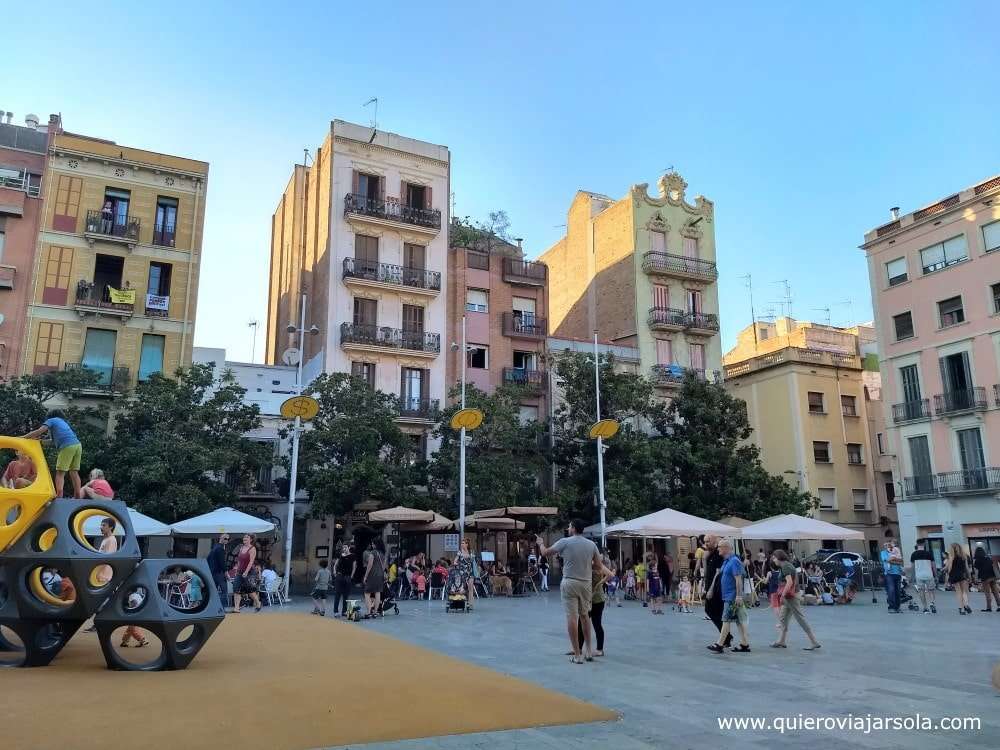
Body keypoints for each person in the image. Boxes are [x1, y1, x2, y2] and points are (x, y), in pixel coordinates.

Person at [536, 519, 603, 664]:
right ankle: (589, 651)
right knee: (585, 616)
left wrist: (540, 543)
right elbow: (598, 566)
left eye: (569, 526)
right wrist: (585, 563)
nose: (568, 528)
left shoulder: (565, 542)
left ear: (573, 528)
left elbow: (545, 553)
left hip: (570, 582)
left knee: (572, 617)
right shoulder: (592, 545)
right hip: (586, 583)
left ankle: (577, 655)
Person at [21, 410, 82, 499]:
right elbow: (52, 442)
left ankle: (59, 495)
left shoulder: (52, 420)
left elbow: (39, 431)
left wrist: (23, 437)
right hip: (77, 445)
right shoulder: (63, 423)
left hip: (67, 446)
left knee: (60, 473)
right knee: (74, 472)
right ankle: (77, 495)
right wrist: (40, 442)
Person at [770, 549, 821, 650]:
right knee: (783, 618)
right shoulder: (786, 565)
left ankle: (814, 642)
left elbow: (789, 582)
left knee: (800, 618)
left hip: (791, 597)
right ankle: (781, 641)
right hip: (790, 596)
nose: (773, 560)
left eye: (774, 558)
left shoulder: (785, 567)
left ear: (779, 557)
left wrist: (782, 595)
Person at [708, 539, 750, 653]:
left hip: (732, 597)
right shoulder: (727, 561)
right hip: (728, 596)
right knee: (739, 621)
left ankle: (719, 644)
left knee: (726, 619)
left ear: (726, 548)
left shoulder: (734, 561)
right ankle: (744, 644)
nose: (718, 549)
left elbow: (738, 579)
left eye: (720, 547)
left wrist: (738, 596)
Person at [83, 517, 118, 633]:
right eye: (101, 525)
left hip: (104, 576)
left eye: (104, 525)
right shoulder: (106, 540)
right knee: (100, 602)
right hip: (101, 575)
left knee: (101, 602)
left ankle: (100, 625)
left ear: (110, 527)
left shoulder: (111, 540)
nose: (101, 527)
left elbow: (107, 558)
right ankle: (98, 624)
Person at [575, 560, 613, 658]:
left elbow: (610, 575)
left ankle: (599, 649)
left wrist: (598, 584)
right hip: (587, 599)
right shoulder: (584, 565)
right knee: (581, 624)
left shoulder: (596, 565)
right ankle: (578, 648)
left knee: (596, 624)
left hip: (597, 600)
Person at [702, 535, 732, 648]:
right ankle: (726, 638)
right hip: (710, 587)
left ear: (714, 541)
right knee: (714, 612)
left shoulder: (718, 555)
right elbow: (706, 573)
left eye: (708, 541)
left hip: (717, 589)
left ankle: (726, 638)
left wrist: (711, 589)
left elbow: (718, 574)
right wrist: (704, 559)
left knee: (713, 611)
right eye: (704, 542)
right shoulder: (709, 555)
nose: (706, 544)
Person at [232, 534, 261, 613]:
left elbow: (251, 562)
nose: (244, 538)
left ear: (251, 540)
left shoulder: (252, 548)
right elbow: (239, 560)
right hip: (239, 571)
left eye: (247, 537)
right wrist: (236, 569)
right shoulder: (241, 547)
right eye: (244, 537)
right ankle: (236, 608)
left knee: (250, 591)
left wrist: (246, 572)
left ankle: (258, 603)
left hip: (249, 572)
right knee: (236, 589)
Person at [910, 541, 937, 614]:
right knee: (931, 590)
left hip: (919, 575)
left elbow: (912, 567)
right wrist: (936, 575)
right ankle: (932, 603)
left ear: (917, 545)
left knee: (921, 591)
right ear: (924, 545)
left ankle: (925, 608)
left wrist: (912, 577)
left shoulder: (914, 554)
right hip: (929, 575)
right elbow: (933, 565)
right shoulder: (929, 553)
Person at [946, 543, 971, 614]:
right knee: (964, 592)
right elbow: (967, 568)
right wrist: (969, 576)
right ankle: (966, 605)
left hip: (954, 575)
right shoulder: (964, 556)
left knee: (958, 592)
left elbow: (950, 568)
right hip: (962, 575)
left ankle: (962, 609)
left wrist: (948, 575)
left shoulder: (951, 557)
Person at [363, 540, 386, 617]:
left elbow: (369, 565)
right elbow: (383, 567)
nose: (372, 545)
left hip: (372, 575)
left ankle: (369, 611)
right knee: (377, 593)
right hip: (380, 575)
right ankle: (375, 612)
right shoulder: (383, 554)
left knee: (367, 593)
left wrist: (365, 576)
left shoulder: (373, 553)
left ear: (376, 544)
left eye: (373, 544)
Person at [332, 545, 357, 617]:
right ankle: (336, 611)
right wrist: (334, 571)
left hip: (348, 576)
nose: (344, 549)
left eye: (345, 547)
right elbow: (335, 565)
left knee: (346, 595)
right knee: (337, 594)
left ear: (349, 548)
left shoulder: (353, 556)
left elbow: (354, 567)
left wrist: (351, 576)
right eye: (343, 548)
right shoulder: (340, 555)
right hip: (339, 576)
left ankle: (344, 611)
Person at [972, 545, 999, 612]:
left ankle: (989, 608)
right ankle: (999, 606)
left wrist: (975, 578)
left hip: (985, 578)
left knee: (987, 593)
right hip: (993, 577)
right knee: (995, 592)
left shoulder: (977, 560)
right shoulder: (988, 558)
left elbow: (976, 571)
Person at [207, 533, 230, 609]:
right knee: (224, 591)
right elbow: (222, 562)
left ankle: (212, 607)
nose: (227, 540)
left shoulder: (214, 547)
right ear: (221, 538)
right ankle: (222, 608)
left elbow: (208, 559)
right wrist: (226, 572)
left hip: (212, 573)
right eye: (225, 538)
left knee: (213, 591)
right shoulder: (220, 549)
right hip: (219, 573)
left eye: (228, 539)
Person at [881, 540, 904, 613]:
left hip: (898, 573)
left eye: (888, 544)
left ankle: (897, 607)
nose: (887, 546)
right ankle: (891, 607)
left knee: (897, 591)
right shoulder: (883, 553)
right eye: (885, 545)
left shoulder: (896, 551)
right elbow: (887, 560)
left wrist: (894, 560)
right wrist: (896, 560)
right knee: (891, 590)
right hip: (889, 573)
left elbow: (901, 560)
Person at [455, 538, 477, 609]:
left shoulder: (471, 552)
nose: (462, 544)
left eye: (463, 543)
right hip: (462, 572)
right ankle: (462, 601)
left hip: (470, 572)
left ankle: (470, 604)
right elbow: (455, 560)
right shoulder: (459, 552)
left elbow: (474, 562)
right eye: (461, 543)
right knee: (463, 587)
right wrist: (456, 563)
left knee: (470, 588)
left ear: (467, 544)